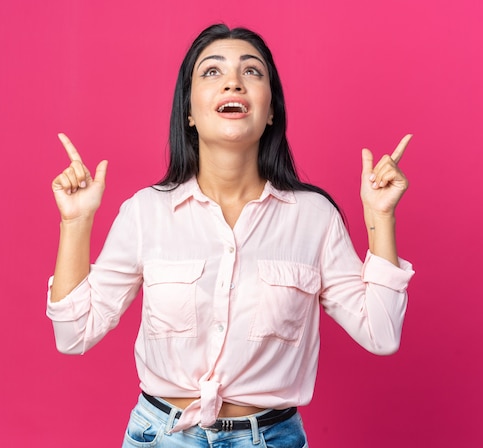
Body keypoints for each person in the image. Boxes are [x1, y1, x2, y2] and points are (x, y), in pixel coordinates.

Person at [47, 24, 415, 447]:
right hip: (161, 437)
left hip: (272, 438)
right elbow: (74, 334)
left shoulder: (314, 218)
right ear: (188, 110)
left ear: (271, 109)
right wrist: (75, 224)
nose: (233, 81)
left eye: (252, 71)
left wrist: (380, 217)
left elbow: (381, 334)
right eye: (211, 72)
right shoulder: (145, 212)